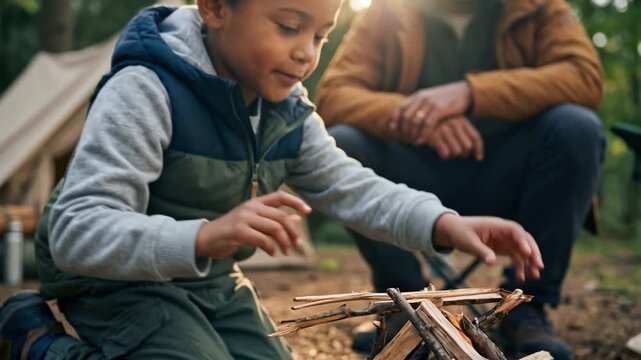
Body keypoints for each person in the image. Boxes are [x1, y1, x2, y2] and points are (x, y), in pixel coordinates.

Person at [0, 1, 544, 359]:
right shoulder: (146, 89)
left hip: (208, 282)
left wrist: (444, 221)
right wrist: (204, 237)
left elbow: (351, 187)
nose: (306, 52)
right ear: (215, 7)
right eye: (288, 26)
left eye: (321, 34)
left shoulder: (288, 111)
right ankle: (35, 341)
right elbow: (74, 231)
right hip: (114, 281)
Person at [316, 0, 604, 358]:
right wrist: (422, 120)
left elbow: (585, 77)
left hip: (512, 180)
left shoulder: (538, 7)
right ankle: (404, 307)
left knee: (578, 129)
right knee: (345, 141)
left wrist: (469, 94)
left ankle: (524, 308)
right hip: (413, 180)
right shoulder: (386, 12)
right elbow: (333, 96)